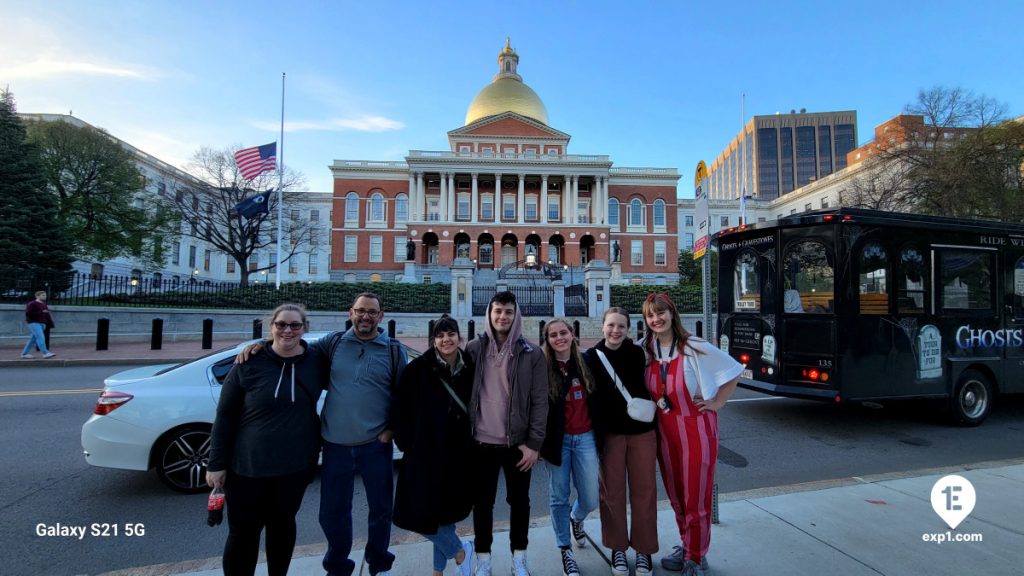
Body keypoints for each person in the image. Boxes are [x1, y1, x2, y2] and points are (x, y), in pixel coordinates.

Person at [207, 303, 325, 576]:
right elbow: (225, 414)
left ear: (304, 328)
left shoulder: (316, 360)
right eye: (281, 324)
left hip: (294, 467)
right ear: (271, 327)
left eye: (295, 325)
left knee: (282, 527)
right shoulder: (249, 362)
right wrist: (216, 463)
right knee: (243, 533)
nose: (288, 330)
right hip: (247, 467)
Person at [641, 294, 742, 576]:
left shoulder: (693, 346)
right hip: (665, 431)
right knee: (676, 495)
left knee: (695, 497)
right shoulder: (647, 349)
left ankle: (697, 557)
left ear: (672, 314)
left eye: (661, 313)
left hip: (695, 428)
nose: (656, 319)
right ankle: (688, 546)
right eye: (650, 315)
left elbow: (733, 371)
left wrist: (718, 403)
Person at [316, 293, 407, 576]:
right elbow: (290, 348)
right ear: (350, 312)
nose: (365, 316)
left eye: (371, 312)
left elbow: (403, 396)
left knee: (380, 510)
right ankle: (337, 565)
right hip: (335, 444)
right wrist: (258, 347)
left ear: (381, 316)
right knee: (333, 512)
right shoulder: (331, 344)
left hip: (374, 445)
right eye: (360, 311)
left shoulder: (393, 350)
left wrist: (391, 429)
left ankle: (378, 561)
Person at [465, 291, 548, 576]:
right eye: (498, 311)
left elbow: (540, 401)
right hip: (481, 443)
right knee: (482, 504)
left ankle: (519, 558)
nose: (503, 317)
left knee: (520, 503)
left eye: (508, 312)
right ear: (489, 314)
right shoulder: (474, 349)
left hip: (518, 444)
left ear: (516, 315)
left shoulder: (531, 353)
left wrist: (534, 444)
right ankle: (483, 559)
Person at [393, 315, 475, 576]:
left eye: (450, 334)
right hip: (425, 451)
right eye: (440, 335)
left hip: (458, 452)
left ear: (459, 338)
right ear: (433, 340)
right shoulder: (418, 369)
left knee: (444, 514)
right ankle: (460, 552)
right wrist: (406, 442)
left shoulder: (470, 366)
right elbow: (400, 407)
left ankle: (438, 570)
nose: (445, 339)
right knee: (417, 514)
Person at [583, 308, 658, 576]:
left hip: (642, 432)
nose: (616, 331)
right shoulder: (590, 357)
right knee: (611, 494)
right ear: (602, 326)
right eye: (611, 326)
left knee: (645, 492)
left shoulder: (639, 354)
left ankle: (644, 551)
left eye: (621, 327)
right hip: (610, 435)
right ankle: (617, 548)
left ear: (628, 329)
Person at [540, 319, 599, 576]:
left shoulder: (588, 361)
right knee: (558, 496)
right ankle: (565, 549)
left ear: (572, 334)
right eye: (553, 335)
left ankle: (577, 518)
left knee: (590, 498)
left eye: (563, 332)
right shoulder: (542, 367)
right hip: (557, 441)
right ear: (548, 340)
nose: (559, 338)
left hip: (585, 437)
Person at [22, 291, 56, 359]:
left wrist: (50, 323)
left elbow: (47, 314)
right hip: (34, 323)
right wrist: (41, 312)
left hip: (42, 324)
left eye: (45, 295)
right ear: (37, 296)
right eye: (43, 295)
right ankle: (45, 353)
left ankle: (24, 354)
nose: (45, 296)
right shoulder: (32, 304)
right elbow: (28, 314)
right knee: (41, 338)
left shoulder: (44, 304)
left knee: (32, 339)